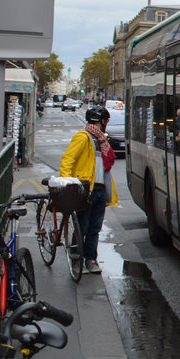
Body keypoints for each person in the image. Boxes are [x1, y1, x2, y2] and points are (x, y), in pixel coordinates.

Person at [59, 106, 117, 274]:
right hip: (86, 190)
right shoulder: (83, 137)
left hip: (99, 191)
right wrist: (67, 183)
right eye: (106, 121)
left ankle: (91, 259)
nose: (106, 124)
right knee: (81, 228)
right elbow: (68, 159)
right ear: (102, 121)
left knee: (94, 229)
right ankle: (76, 258)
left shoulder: (101, 141)